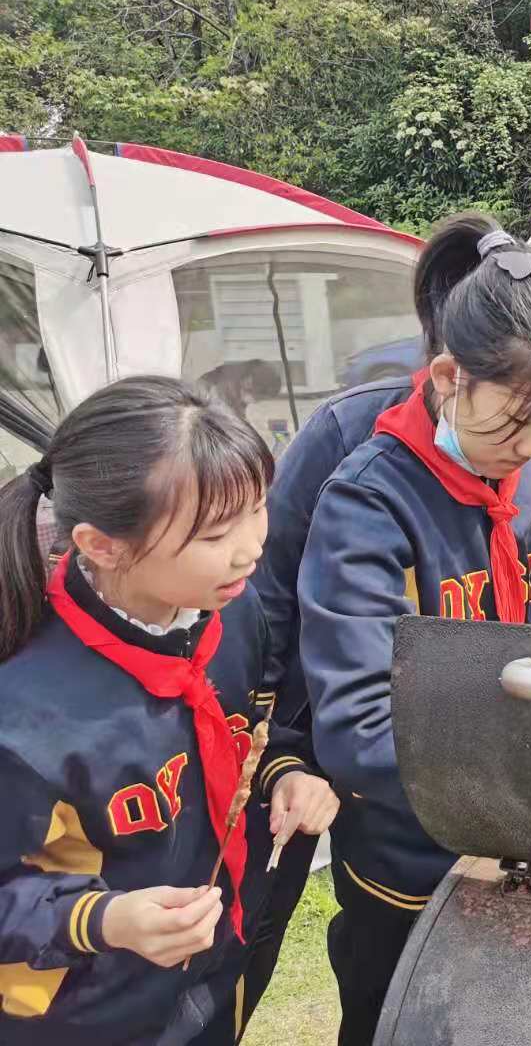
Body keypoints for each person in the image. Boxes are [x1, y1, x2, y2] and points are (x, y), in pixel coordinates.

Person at [241, 214, 531, 1019]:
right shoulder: (362, 475)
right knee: (375, 997)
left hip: (506, 835)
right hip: (390, 818)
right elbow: (279, 613)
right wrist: (277, 749)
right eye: (517, 421)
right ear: (447, 376)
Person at [0, 377, 337, 1046]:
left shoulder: (233, 614)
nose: (251, 547)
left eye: (257, 510)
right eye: (215, 532)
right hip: (81, 1012)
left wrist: (286, 773)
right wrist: (105, 919)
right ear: (102, 546)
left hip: (212, 971)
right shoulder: (27, 715)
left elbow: (250, 732)